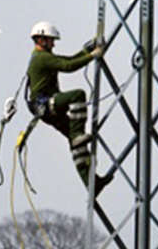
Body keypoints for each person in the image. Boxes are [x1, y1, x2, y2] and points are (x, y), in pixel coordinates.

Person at [26, 21, 113, 196]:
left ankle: (92, 183)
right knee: (78, 95)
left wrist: (85, 51)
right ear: (41, 40)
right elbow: (68, 66)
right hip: (47, 104)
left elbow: (67, 60)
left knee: (75, 143)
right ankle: (78, 134)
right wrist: (92, 56)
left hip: (45, 109)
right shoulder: (42, 58)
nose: (53, 43)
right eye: (51, 40)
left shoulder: (43, 57)